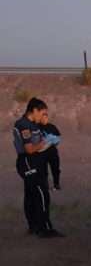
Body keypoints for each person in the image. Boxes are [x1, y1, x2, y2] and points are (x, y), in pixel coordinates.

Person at [12, 97, 64, 238]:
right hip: (28, 161)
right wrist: (46, 142)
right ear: (34, 110)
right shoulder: (23, 124)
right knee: (42, 194)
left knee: (31, 194)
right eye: (42, 113)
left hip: (35, 161)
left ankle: (34, 226)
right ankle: (44, 228)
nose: (42, 116)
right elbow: (29, 149)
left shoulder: (33, 124)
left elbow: (37, 143)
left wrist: (48, 142)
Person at [39, 112, 62, 190]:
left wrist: (52, 142)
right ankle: (45, 186)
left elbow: (58, 138)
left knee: (56, 169)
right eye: (43, 118)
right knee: (43, 171)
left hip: (52, 152)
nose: (45, 119)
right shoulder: (36, 127)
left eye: (46, 117)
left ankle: (56, 184)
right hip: (41, 153)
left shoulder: (52, 127)